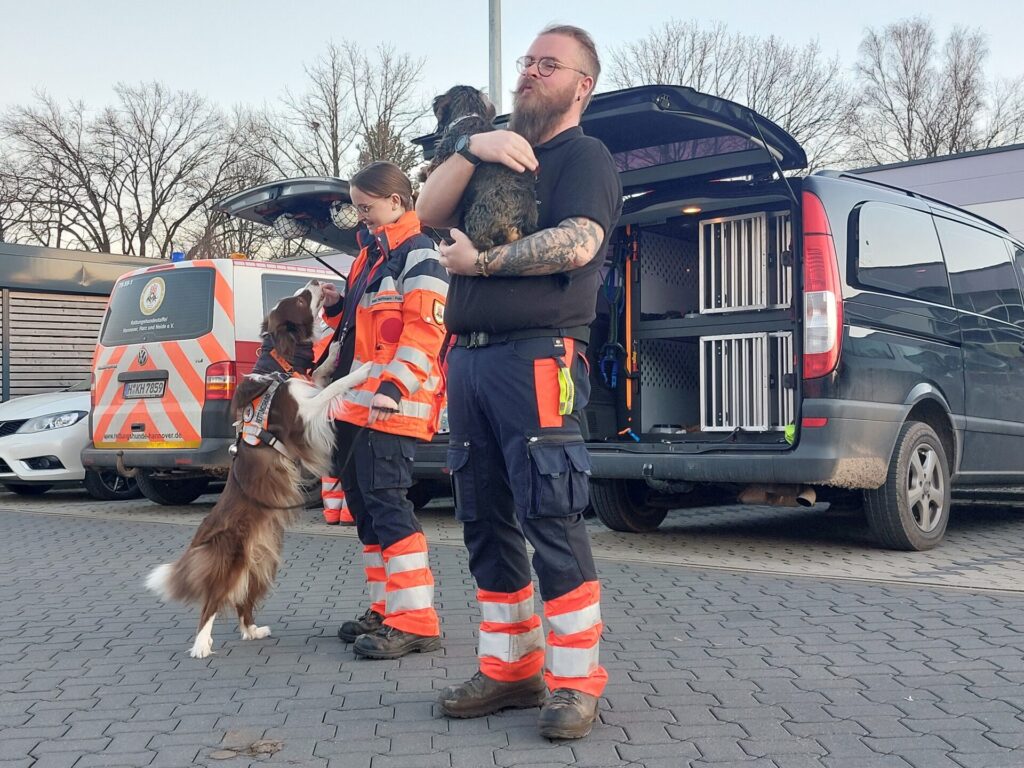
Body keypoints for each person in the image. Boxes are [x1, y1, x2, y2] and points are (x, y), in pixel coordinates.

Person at [417, 24, 622, 740]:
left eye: (548, 64)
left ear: (581, 84)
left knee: (551, 515)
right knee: (483, 518)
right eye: (527, 61)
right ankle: (510, 669)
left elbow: (580, 241)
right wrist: (471, 146)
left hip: (538, 357)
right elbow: (426, 213)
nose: (531, 72)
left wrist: (485, 266)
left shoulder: (584, 155)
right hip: (469, 359)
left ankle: (574, 682)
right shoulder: (495, 150)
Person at [320, 160, 450, 659]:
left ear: (396, 202)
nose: (361, 218)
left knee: (388, 505)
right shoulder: (372, 256)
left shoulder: (419, 254)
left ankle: (416, 619)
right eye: (357, 208)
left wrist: (394, 386)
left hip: (393, 404)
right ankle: (387, 609)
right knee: (368, 511)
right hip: (358, 404)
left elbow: (425, 330)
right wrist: (336, 306)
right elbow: (364, 329)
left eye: (366, 207)